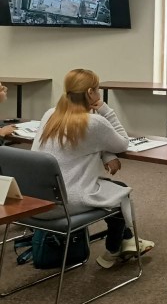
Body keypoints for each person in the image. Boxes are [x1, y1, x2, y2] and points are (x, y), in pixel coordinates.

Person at [32, 69, 154, 268]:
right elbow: (122, 143)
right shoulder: (94, 122)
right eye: (97, 89)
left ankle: (126, 240)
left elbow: (84, 143)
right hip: (63, 203)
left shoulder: (50, 114)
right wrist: (106, 110)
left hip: (33, 202)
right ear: (90, 92)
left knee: (115, 188)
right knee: (121, 193)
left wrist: (106, 154)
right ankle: (114, 250)